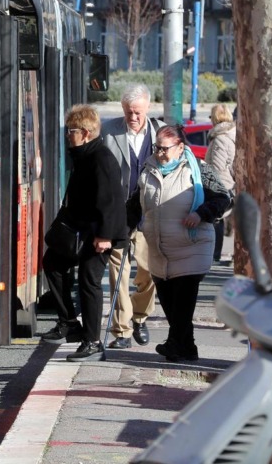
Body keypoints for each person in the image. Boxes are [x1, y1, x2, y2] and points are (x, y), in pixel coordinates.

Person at [127, 125, 232, 362]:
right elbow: (136, 204)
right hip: (160, 250)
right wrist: (121, 229)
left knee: (182, 304)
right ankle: (187, 347)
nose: (160, 153)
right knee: (169, 302)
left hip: (191, 246)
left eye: (165, 149)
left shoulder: (198, 170)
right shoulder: (149, 169)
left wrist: (201, 214)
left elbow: (223, 198)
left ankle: (174, 344)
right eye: (157, 148)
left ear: (180, 148)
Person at [39, 104, 128, 361]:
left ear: (86, 133)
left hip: (99, 234)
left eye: (72, 130)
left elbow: (110, 200)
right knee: (53, 264)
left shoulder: (100, 157)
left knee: (89, 280)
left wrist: (105, 237)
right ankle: (69, 322)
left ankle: (92, 342)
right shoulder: (84, 155)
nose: (68, 135)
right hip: (82, 231)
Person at [101, 84, 162, 350]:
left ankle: (140, 317)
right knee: (119, 274)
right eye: (128, 112)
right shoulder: (109, 131)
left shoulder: (161, 133)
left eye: (137, 112)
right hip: (119, 215)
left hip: (150, 215)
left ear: (147, 108)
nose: (133, 117)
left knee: (149, 274)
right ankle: (122, 331)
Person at [205, 104, 236, 262]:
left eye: (211, 117)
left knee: (216, 219)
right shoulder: (230, 134)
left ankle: (214, 256)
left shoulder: (220, 139)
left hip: (220, 185)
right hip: (229, 184)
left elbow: (217, 167)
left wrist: (209, 183)